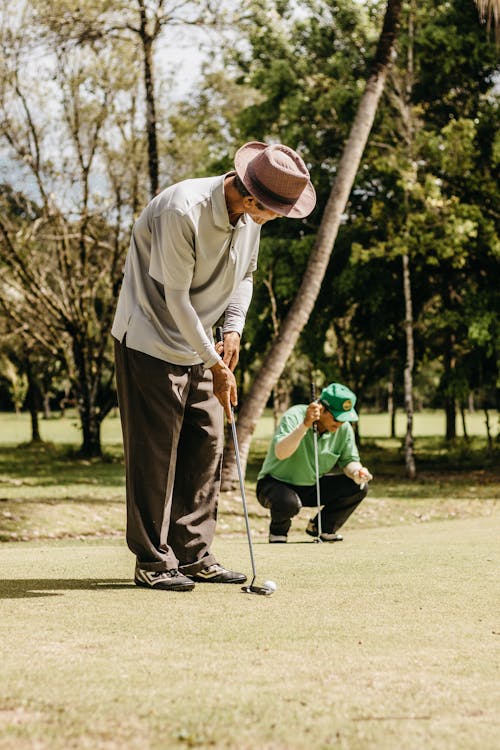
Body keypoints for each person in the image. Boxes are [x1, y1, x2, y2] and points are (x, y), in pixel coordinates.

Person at [112, 141, 316, 590]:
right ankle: (151, 560)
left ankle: (193, 554)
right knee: (155, 457)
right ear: (249, 197)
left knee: (206, 445)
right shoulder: (183, 210)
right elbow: (177, 299)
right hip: (149, 341)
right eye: (275, 212)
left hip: (200, 345)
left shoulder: (249, 218)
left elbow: (244, 276)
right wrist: (215, 363)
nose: (277, 219)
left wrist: (233, 330)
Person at [256, 382, 373, 543]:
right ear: (321, 408)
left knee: (358, 486)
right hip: (275, 484)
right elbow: (281, 453)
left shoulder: (343, 429)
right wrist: (305, 425)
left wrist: (357, 472)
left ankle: (322, 527)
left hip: (311, 486)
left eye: (344, 419)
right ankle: (278, 532)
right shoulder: (295, 415)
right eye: (337, 418)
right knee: (288, 502)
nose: (340, 424)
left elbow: (349, 460)